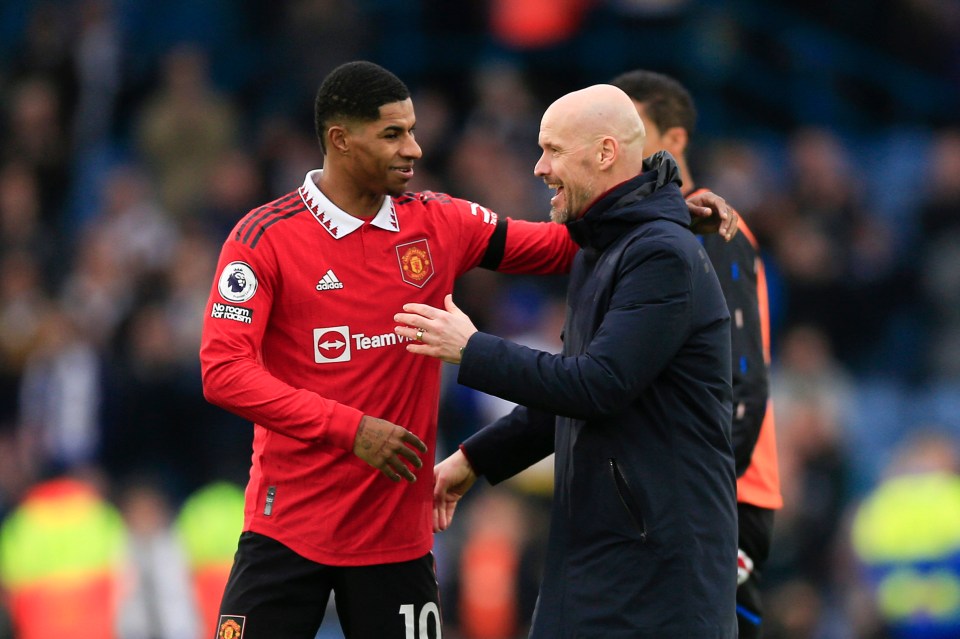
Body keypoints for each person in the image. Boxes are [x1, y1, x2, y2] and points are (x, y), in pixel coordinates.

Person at [199, 61, 736, 639]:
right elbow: (223, 372)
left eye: (412, 129)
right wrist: (351, 430)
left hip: (395, 538)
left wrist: (669, 210)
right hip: (287, 531)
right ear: (340, 140)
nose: (414, 147)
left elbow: (565, 243)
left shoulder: (440, 221)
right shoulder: (263, 239)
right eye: (393, 134)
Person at [397, 84, 738, 637]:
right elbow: (568, 396)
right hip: (600, 556)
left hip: (661, 572)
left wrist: (472, 348)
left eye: (552, 150)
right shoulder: (602, 250)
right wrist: (474, 461)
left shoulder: (661, 255)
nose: (538, 167)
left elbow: (598, 385)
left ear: (605, 154)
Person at [610, 69, 783, 639]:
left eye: (634, 129)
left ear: (675, 139)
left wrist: (699, 496)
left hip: (722, 492)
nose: (621, 147)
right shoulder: (640, 237)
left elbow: (743, 383)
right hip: (667, 493)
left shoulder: (713, 228)